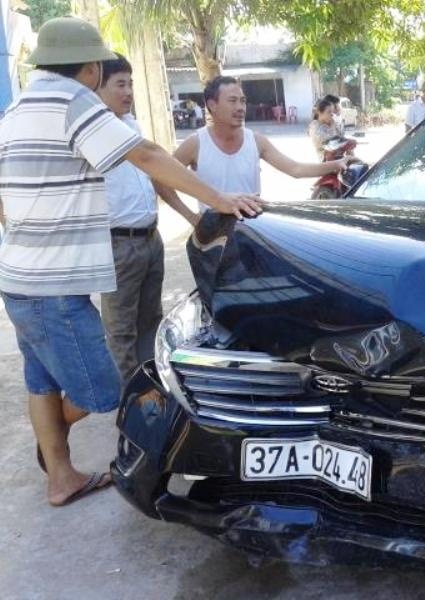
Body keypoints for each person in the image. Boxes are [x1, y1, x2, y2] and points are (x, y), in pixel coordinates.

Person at [0, 17, 262, 507]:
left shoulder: (17, 109)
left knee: (41, 381)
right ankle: (54, 447)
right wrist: (218, 197)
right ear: (92, 67)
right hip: (53, 284)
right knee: (99, 387)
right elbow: (142, 154)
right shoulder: (72, 99)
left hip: (18, 275)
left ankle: (60, 476)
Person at [97, 53, 200, 383]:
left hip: (149, 238)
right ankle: (131, 396)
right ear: (96, 87)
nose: (128, 92)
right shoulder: (95, 131)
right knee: (120, 327)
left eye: (131, 84)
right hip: (118, 244)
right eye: (120, 84)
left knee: (151, 320)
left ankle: (151, 383)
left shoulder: (130, 125)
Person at [171, 76, 350, 201]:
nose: (240, 107)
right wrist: (191, 217)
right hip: (212, 235)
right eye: (232, 101)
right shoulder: (196, 144)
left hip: (251, 228)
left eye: (243, 101)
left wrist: (336, 164)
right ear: (212, 105)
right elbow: (162, 179)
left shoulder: (256, 141)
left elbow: (295, 169)